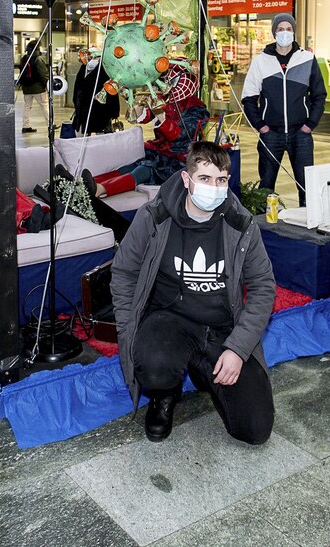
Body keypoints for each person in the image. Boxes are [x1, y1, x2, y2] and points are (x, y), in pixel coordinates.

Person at [110, 141, 276, 444]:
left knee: (254, 430)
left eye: (221, 180)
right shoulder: (154, 216)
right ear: (187, 180)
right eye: (205, 178)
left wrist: (238, 348)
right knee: (155, 365)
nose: (214, 188)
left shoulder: (241, 223)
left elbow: (264, 286)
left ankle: (203, 369)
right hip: (170, 319)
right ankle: (164, 395)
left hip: (222, 327)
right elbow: (123, 272)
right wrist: (128, 328)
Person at [81, 60, 210, 199]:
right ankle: (85, 183)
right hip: (160, 151)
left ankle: (99, 189)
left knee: (145, 169)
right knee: (130, 166)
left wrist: (160, 115)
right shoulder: (166, 99)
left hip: (181, 159)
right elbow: (142, 117)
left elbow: (180, 135)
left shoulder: (197, 108)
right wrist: (140, 106)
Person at [241, 13, 326, 205]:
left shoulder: (307, 59)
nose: (285, 33)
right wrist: (261, 126)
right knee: (265, 187)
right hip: (271, 134)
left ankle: (308, 225)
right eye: (280, 29)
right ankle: (262, 227)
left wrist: (310, 124)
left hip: (301, 134)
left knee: (306, 186)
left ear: (294, 32)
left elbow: (319, 95)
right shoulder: (260, 62)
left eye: (289, 29)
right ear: (274, 33)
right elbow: (248, 97)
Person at [71, 55, 118, 135]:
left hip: (98, 112)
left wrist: (114, 112)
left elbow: (112, 92)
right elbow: (77, 90)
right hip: (88, 112)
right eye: (91, 57)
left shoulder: (104, 71)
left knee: (99, 135)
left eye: (95, 58)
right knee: (89, 134)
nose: (92, 60)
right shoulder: (84, 69)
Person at [18, 40, 50, 133]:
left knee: (27, 106)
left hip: (26, 87)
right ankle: (50, 124)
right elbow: (43, 74)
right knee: (44, 105)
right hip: (38, 88)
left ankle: (25, 126)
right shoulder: (38, 59)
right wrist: (47, 84)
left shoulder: (24, 58)